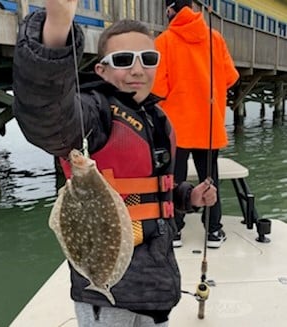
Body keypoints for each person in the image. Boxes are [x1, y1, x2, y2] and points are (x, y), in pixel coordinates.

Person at [13, 1, 217, 326]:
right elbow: (49, 116)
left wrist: (187, 197)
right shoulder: (94, 113)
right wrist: (55, 30)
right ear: (101, 70)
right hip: (105, 291)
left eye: (148, 59)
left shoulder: (158, 119)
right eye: (123, 61)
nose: (137, 70)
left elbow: (154, 194)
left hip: (157, 284)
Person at [152, 0, 239, 249]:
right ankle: (213, 230)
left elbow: (158, 88)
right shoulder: (215, 38)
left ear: (170, 10)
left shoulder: (164, 41)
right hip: (209, 126)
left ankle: (175, 230)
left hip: (176, 128)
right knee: (210, 179)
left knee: (174, 180)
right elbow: (231, 77)